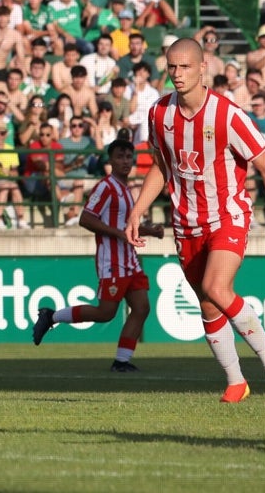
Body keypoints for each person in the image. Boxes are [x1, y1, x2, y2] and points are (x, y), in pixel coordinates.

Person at [125, 38, 265, 403]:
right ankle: (236, 381)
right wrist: (138, 209)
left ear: (203, 68)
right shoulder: (159, 114)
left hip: (227, 216)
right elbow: (160, 166)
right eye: (172, 67)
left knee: (218, 288)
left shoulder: (229, 115)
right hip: (186, 224)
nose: (177, 74)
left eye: (185, 67)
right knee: (208, 304)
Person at [33, 136, 163, 368]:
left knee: (142, 307)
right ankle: (51, 316)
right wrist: (117, 233)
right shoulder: (105, 186)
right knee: (106, 313)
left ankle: (122, 361)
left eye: (128, 156)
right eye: (120, 156)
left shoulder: (125, 189)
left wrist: (150, 231)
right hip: (112, 260)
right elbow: (86, 218)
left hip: (130, 260)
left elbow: (126, 225)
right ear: (110, 160)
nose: (125, 161)